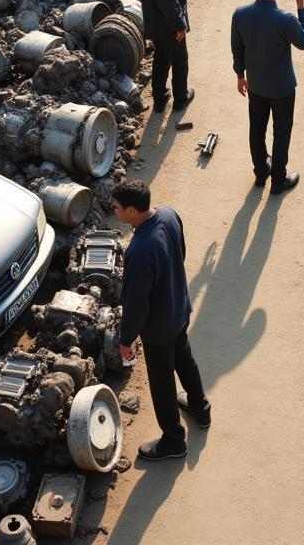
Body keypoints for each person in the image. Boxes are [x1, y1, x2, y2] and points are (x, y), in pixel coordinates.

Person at [114, 180, 210, 461]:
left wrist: (126, 339)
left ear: (132, 210)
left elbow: (136, 303)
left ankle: (173, 441)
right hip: (179, 307)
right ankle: (200, 407)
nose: (115, 211)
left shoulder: (139, 250)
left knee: (162, 381)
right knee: (184, 357)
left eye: (117, 208)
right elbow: (180, 252)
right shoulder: (168, 214)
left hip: (158, 328)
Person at [230, 0, 304, 195]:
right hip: (282, 87)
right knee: (281, 131)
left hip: (256, 85)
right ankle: (279, 179)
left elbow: (237, 48)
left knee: (256, 128)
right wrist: (301, 5)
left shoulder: (240, 13)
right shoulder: (284, 19)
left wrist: (240, 75)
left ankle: (260, 172)